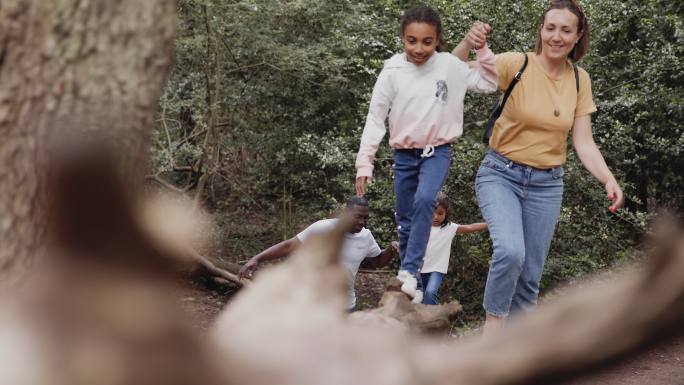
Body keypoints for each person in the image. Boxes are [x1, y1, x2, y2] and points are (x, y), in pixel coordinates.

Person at [452, 0, 624, 334]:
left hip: (547, 184)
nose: (556, 36)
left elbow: (583, 142)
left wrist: (608, 178)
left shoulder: (579, 81)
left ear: (578, 36)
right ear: (541, 31)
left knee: (530, 274)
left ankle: (520, 353)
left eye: (565, 30)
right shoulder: (516, 63)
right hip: (500, 174)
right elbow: (450, 72)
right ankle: (492, 335)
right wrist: (466, 42)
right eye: (550, 28)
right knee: (511, 252)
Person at [354, 5, 498, 301]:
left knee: (424, 201)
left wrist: (481, 49)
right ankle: (414, 284)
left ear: (438, 40)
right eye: (411, 41)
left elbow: (489, 83)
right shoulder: (393, 69)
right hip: (404, 155)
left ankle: (408, 270)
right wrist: (364, 162)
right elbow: (375, 116)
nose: (418, 49)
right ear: (403, 38)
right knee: (405, 218)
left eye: (427, 42)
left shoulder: (449, 66)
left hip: (437, 151)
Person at [237, 196, 398, 312]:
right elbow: (289, 246)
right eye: (358, 217)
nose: (362, 222)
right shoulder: (323, 228)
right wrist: (257, 258)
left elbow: (377, 262)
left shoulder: (366, 237)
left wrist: (391, 250)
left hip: (346, 305)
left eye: (365, 217)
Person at [420, 192, 487, 305]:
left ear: (446, 213)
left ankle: (434, 319)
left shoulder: (449, 228)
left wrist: (490, 224)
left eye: (440, 213)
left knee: (430, 292)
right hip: (419, 269)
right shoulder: (420, 226)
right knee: (421, 298)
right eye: (432, 213)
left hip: (436, 269)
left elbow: (469, 227)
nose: (435, 217)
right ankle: (427, 319)